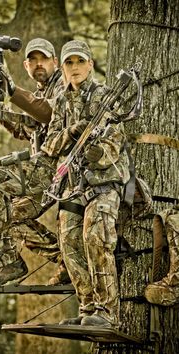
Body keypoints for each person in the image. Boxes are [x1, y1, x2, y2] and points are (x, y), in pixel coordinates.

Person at [39, 40, 131, 329]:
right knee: (68, 243)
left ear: (90, 64)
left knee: (95, 237)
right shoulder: (61, 102)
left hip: (105, 183)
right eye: (69, 63)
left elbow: (114, 145)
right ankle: (87, 309)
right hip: (72, 184)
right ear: (63, 67)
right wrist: (72, 132)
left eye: (80, 61)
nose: (74, 68)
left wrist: (95, 151)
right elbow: (50, 146)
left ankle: (107, 313)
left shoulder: (106, 97)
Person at [0, 38, 69, 289]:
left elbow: (48, 112)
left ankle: (6, 262)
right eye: (33, 60)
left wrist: (12, 90)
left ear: (55, 62)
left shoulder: (65, 83)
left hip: (60, 166)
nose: (39, 65)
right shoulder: (41, 92)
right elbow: (32, 128)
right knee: (8, 214)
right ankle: (68, 259)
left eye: (44, 59)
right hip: (48, 170)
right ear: (27, 65)